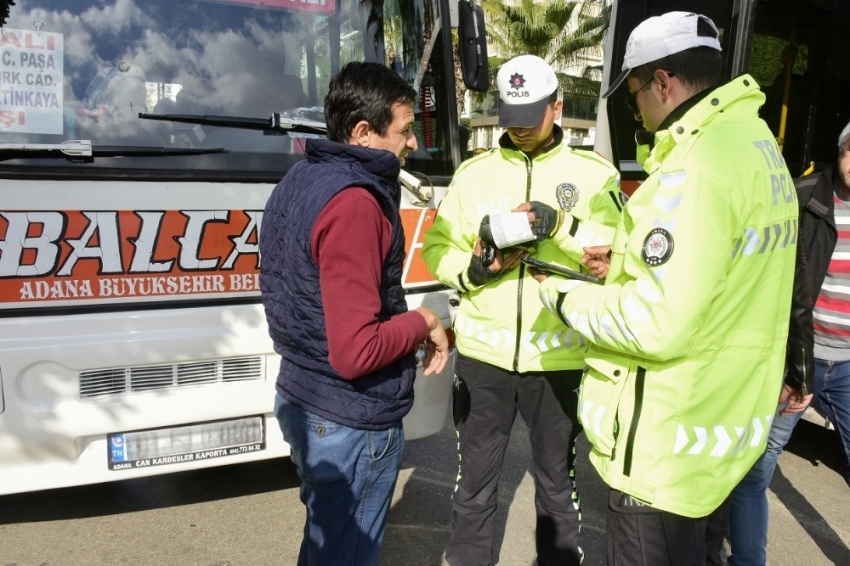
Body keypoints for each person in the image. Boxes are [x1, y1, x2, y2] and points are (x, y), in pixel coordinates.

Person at [530, 12, 799, 564]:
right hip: (715, 433)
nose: (635, 110)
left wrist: (561, 296)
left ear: (662, 82)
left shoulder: (692, 173)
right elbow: (722, 272)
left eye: (633, 94)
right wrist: (626, 257)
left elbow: (654, 324)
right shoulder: (757, 147)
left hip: (663, 450)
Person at [422, 54, 623, 565]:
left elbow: (618, 253)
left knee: (557, 485)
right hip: (484, 357)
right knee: (474, 485)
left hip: (559, 359)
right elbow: (437, 248)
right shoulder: (474, 174)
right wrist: (476, 270)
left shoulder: (596, 175)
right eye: (511, 122)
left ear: (558, 106)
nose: (521, 132)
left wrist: (561, 228)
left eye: (531, 120)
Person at [259, 61, 449, 566]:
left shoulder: (301, 179)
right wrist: (424, 322)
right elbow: (356, 350)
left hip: (303, 397)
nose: (413, 144)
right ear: (363, 132)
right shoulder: (354, 203)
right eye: (405, 131)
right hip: (347, 419)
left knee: (327, 543)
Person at [727, 119, 850, 565]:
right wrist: (791, 365)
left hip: (849, 364)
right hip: (799, 358)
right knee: (756, 472)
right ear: (840, 152)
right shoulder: (802, 198)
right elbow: (778, 287)